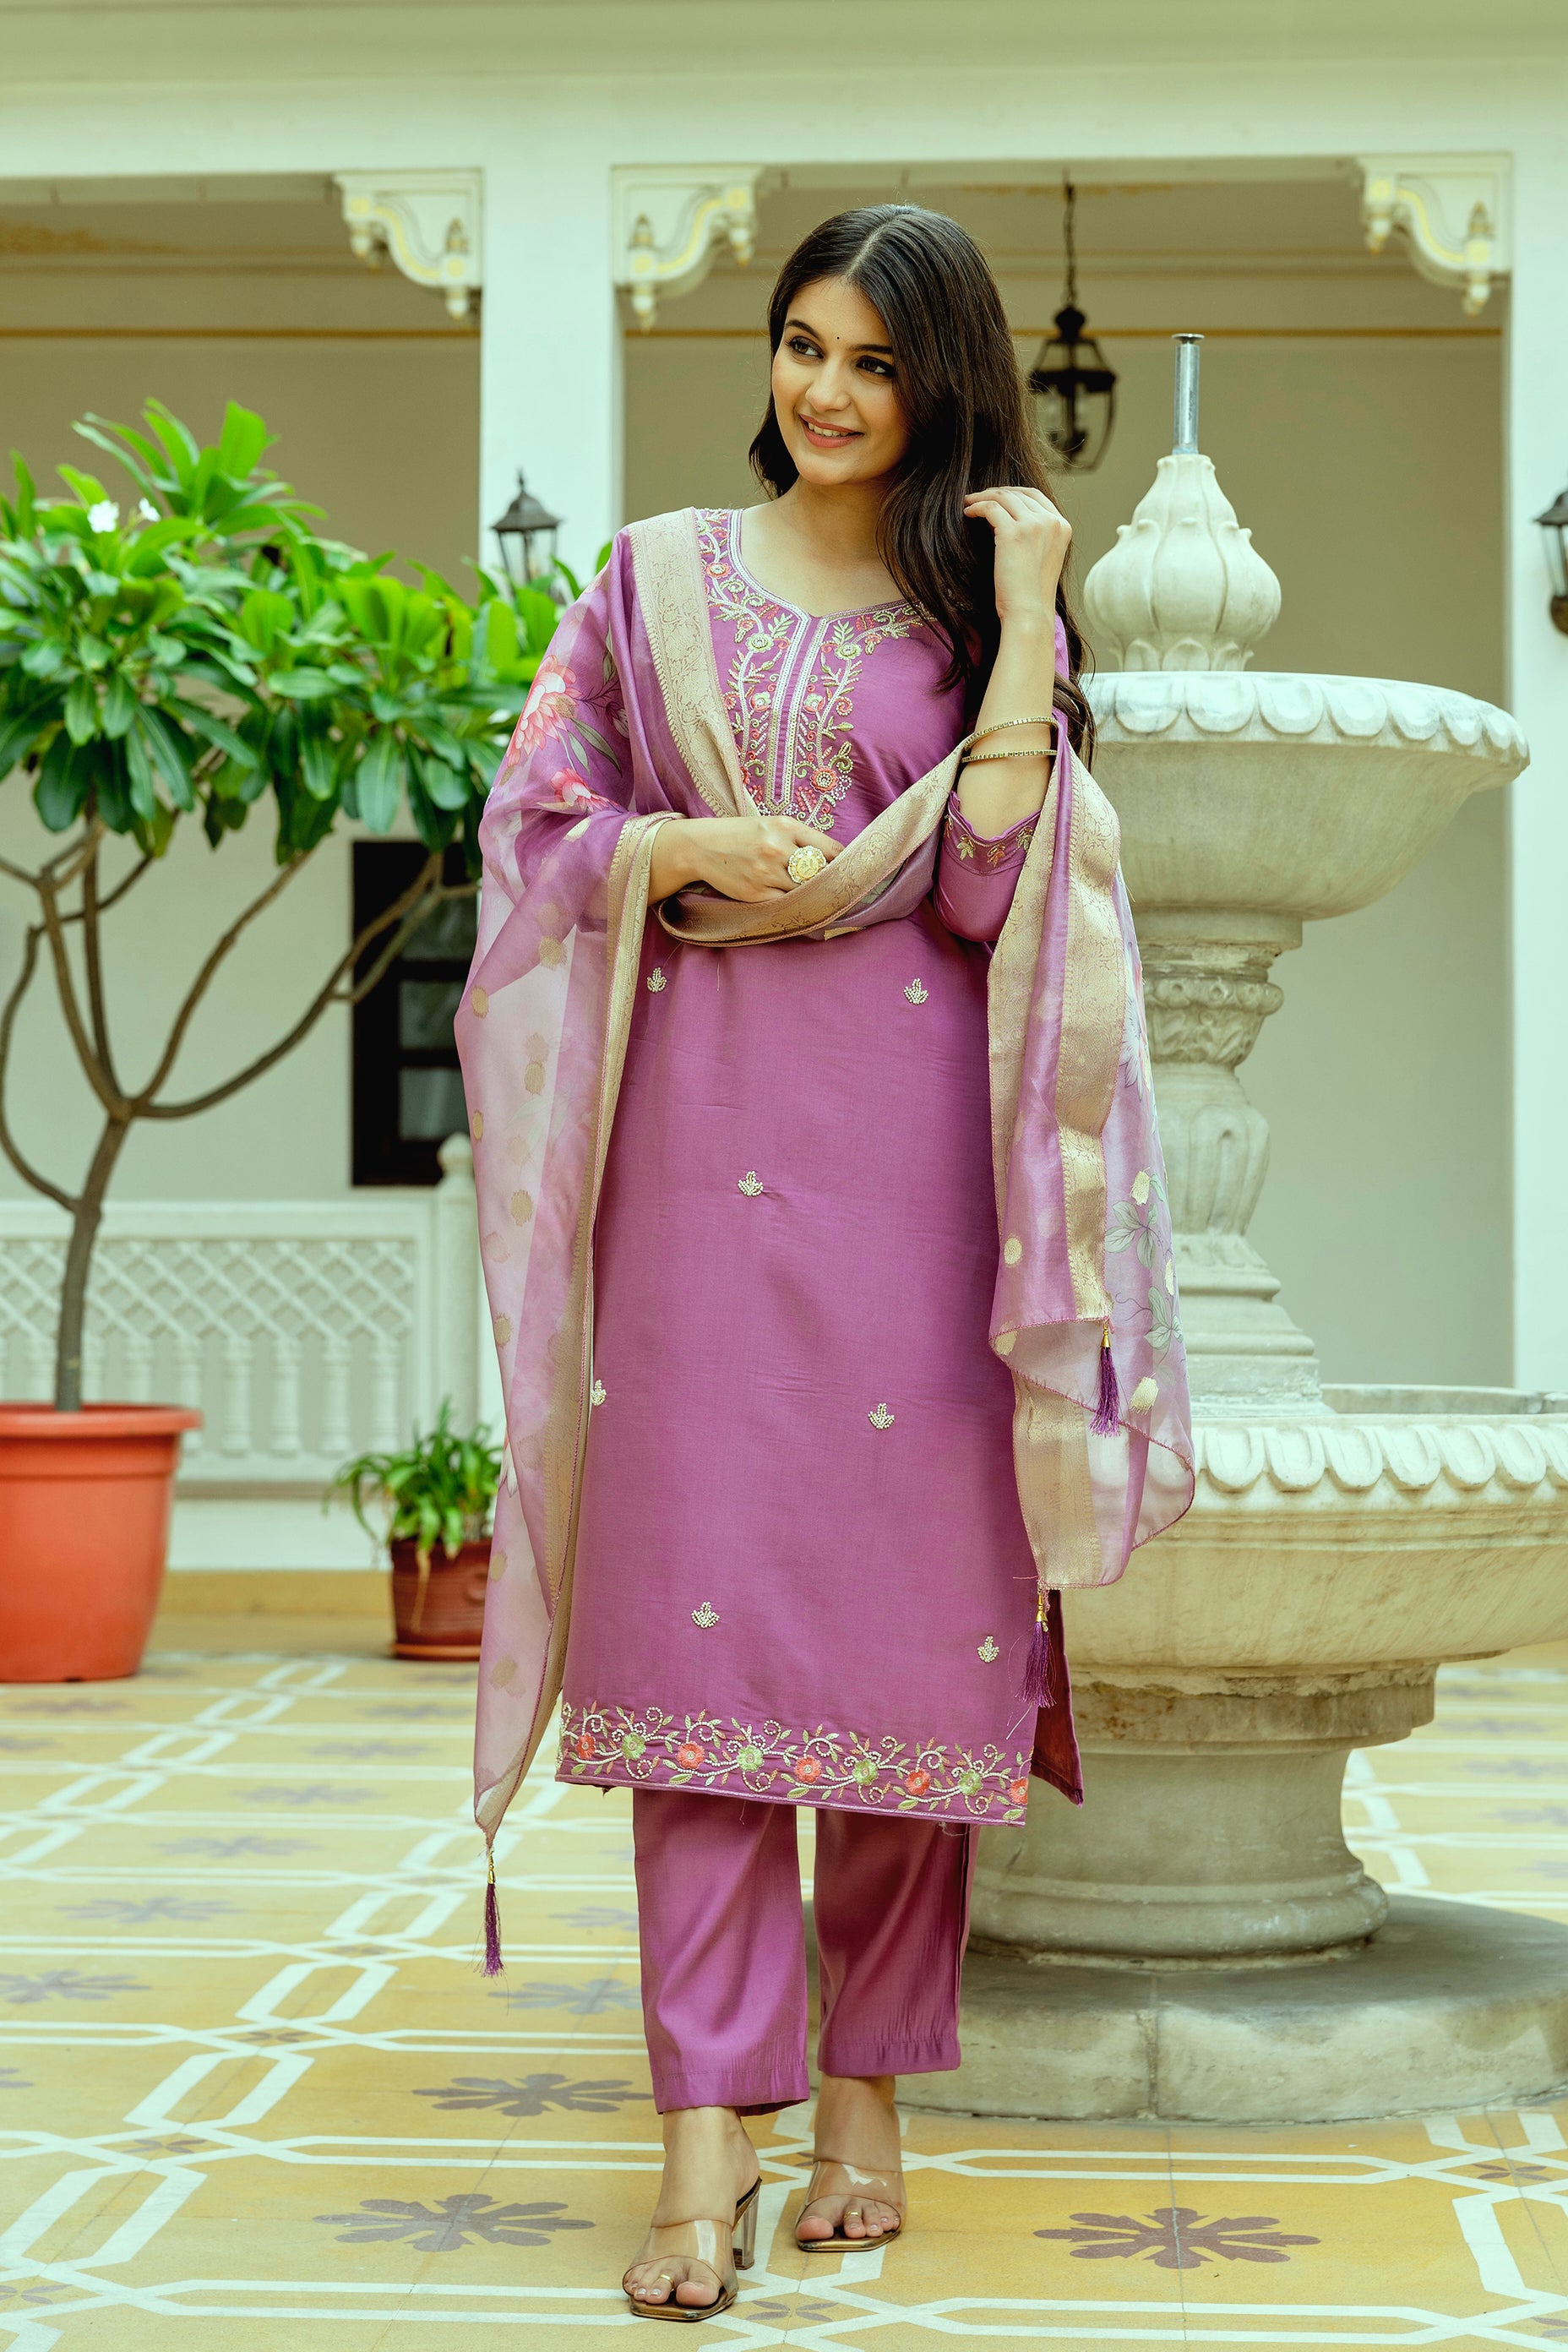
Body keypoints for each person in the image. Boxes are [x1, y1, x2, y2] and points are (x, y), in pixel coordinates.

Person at [457, 204, 1193, 2322]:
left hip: (918, 1194)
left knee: (895, 1659)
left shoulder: (972, 619)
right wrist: (672, 845)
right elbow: (535, 826)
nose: (827, 390)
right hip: (694, 1184)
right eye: (801, 343)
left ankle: (864, 2105)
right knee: (689, 1678)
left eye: (873, 359)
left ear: (937, 381)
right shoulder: (649, 579)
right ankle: (703, 2148)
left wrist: (1030, 610)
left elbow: (987, 892)